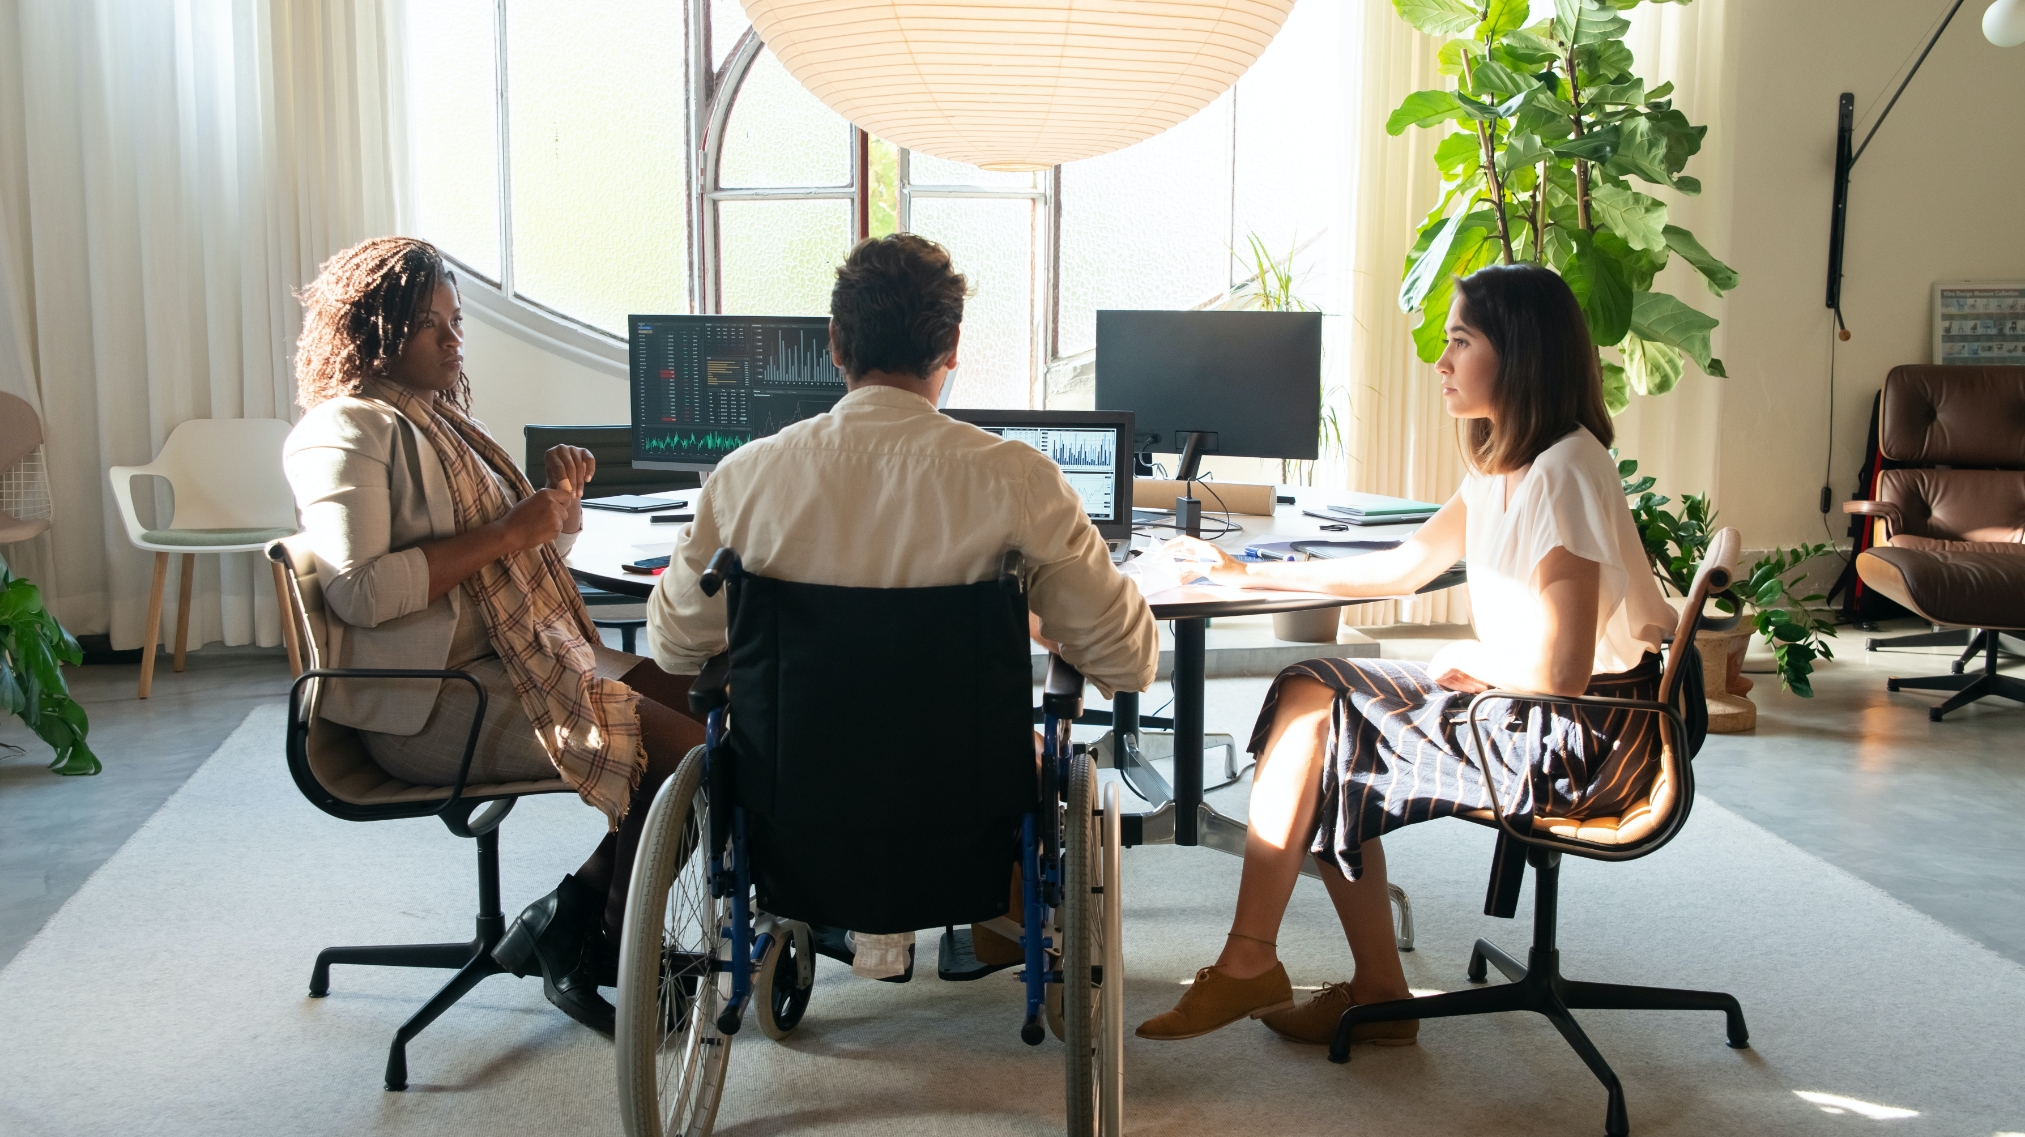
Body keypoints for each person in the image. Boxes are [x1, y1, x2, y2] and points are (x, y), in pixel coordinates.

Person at [1136, 263, 1677, 1047]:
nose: (1441, 361)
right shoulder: (1503, 464)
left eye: (1462, 341)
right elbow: (1400, 568)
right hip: (1530, 707)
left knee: (1322, 713)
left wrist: (1474, 661)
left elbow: (1561, 673)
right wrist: (1244, 570)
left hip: (1577, 737)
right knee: (1313, 697)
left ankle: (1276, 966)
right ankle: (1352, 986)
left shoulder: (1563, 470)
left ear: (1520, 353)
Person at [646, 233, 1159, 978]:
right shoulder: (1018, 479)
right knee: (1036, 748)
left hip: (793, 807)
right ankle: (1002, 920)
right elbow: (1127, 659)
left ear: (834, 343)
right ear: (951, 346)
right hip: (964, 815)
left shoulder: (745, 479)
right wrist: (1038, 617)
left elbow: (672, 645)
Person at [284, 236, 706, 1035]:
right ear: (376, 331)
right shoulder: (345, 430)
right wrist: (511, 531)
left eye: (456, 321)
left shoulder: (444, 423)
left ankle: (570, 917)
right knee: (684, 755)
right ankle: (618, 948)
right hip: (431, 700)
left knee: (720, 711)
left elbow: (511, 572)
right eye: (429, 324)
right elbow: (359, 591)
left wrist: (557, 509)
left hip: (509, 659)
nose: (453, 339)